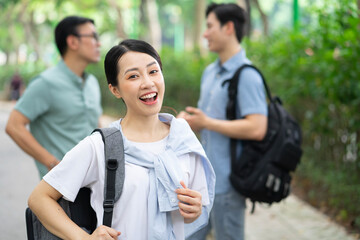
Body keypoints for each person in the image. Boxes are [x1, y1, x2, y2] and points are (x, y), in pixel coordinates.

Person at [28, 39, 215, 240]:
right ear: (115, 89)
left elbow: (189, 216)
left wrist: (193, 211)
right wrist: (83, 238)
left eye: (153, 72)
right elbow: (39, 198)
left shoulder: (183, 140)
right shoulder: (102, 146)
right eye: (133, 76)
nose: (148, 83)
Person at [178, 3, 268, 240]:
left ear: (228, 28)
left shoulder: (247, 75)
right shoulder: (210, 72)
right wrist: (189, 122)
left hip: (227, 185)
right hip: (201, 183)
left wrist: (207, 122)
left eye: (210, 26)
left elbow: (258, 127)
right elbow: (208, 122)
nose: (205, 33)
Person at [5, 16, 103, 178]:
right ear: (72, 42)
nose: (98, 43)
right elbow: (14, 126)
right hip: (60, 187)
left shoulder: (92, 82)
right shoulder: (45, 83)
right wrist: (52, 163)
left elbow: (95, 126)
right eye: (93, 37)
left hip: (94, 182)